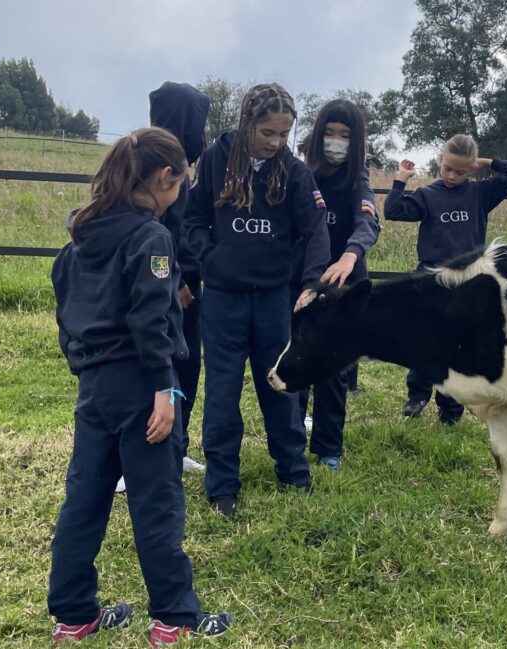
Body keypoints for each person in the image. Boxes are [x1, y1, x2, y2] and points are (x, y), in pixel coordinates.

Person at [48, 127, 232, 645]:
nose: (181, 196)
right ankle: (174, 617)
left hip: (94, 388)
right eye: (181, 185)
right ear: (164, 178)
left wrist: (82, 362)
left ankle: (73, 614)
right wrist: (164, 390)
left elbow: (63, 299)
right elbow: (153, 317)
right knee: (157, 501)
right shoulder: (152, 237)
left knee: (84, 498)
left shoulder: (82, 233)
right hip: (144, 385)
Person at [183, 83, 330, 517]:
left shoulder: (295, 172)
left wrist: (310, 283)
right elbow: (192, 220)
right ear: (248, 122)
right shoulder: (215, 161)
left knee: (281, 388)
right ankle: (222, 486)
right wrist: (209, 260)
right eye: (268, 132)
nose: (276, 143)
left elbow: (315, 229)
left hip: (273, 300)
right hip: (223, 301)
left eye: (284, 134)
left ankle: (293, 473)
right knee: (222, 393)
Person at [385, 134, 507, 424]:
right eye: (447, 168)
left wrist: (483, 162)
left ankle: (451, 408)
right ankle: (418, 396)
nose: (451, 175)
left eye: (460, 171)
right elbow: (393, 211)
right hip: (431, 277)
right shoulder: (427, 194)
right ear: (440, 160)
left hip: (468, 279)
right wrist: (400, 180)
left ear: (471, 169)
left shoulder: (480, 194)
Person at [113, 82, 211, 495]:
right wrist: (180, 282)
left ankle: (178, 444)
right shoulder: (153, 171)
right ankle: (127, 459)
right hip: (161, 290)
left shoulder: (184, 171)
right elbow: (163, 237)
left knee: (187, 363)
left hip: (186, 291)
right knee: (151, 366)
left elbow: (190, 233)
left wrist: (190, 281)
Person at [297, 99, 381, 471]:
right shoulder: (300, 174)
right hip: (302, 280)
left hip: (345, 284)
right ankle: (291, 435)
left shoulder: (357, 177)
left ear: (356, 140)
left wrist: (350, 254)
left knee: (334, 369)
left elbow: (368, 222)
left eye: (344, 135)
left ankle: (328, 449)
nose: (335, 141)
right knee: (297, 359)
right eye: (329, 133)